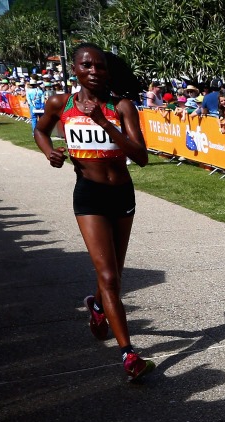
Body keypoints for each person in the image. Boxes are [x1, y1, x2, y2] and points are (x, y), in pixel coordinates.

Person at [33, 42, 154, 381]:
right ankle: (128, 353)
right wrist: (49, 152)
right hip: (88, 195)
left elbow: (141, 157)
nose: (95, 71)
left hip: (122, 194)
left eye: (100, 66)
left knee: (114, 269)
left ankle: (98, 307)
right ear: (76, 69)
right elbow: (40, 130)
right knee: (109, 277)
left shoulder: (123, 106)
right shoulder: (62, 103)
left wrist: (105, 122)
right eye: (87, 65)